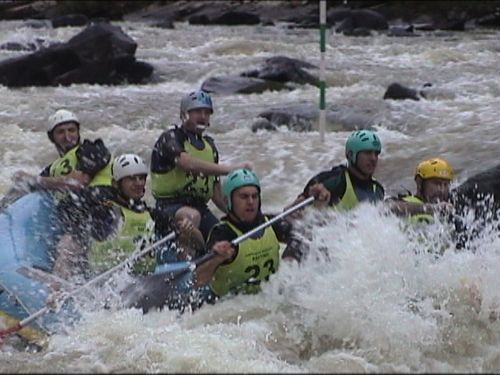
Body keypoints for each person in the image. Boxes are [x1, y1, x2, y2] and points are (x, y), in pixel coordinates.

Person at [181, 168, 322, 308]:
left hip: (267, 299)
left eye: (254, 196)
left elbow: (303, 235)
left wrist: (289, 263)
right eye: (243, 197)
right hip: (228, 306)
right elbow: (198, 280)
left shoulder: (270, 222)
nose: (250, 202)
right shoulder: (222, 233)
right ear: (228, 201)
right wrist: (216, 259)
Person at [150, 89, 251, 262]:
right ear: (184, 115)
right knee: (191, 217)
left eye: (206, 112)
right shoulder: (170, 138)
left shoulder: (210, 147)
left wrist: (239, 215)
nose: (202, 116)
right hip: (168, 208)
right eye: (197, 112)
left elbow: (215, 192)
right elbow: (187, 163)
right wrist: (229, 169)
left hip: (200, 208)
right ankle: (184, 267)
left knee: (225, 234)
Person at [2, 109, 112, 207]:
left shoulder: (93, 149)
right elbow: (29, 186)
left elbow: (77, 182)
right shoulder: (52, 169)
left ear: (78, 133)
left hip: (102, 207)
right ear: (52, 138)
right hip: (75, 215)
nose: (67, 136)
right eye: (61, 132)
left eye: (71, 130)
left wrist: (33, 179)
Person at [289, 129, 385, 212]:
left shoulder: (378, 190)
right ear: (351, 155)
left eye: (376, 153)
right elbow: (297, 207)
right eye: (367, 153)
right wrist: (312, 195)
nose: (373, 158)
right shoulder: (335, 181)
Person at [386, 157, 455, 223]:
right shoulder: (403, 202)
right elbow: (386, 208)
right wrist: (433, 208)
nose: (442, 190)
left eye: (446, 185)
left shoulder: (450, 210)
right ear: (419, 182)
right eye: (436, 183)